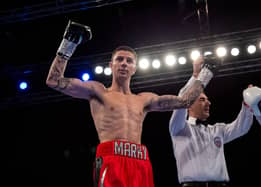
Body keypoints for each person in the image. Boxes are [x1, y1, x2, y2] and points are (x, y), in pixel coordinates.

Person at [45, 20, 206, 187]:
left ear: (134, 68)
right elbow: (54, 81)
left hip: (140, 162)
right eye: (119, 59)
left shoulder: (144, 99)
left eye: (129, 61)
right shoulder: (98, 91)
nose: (124, 63)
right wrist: (69, 43)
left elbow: (185, 101)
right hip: (110, 160)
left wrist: (205, 74)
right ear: (111, 65)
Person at [169, 56, 258, 187]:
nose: (208, 103)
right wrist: (199, 75)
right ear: (190, 105)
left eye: (207, 99)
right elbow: (182, 99)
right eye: (202, 99)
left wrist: (248, 106)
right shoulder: (179, 128)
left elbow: (242, 128)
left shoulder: (217, 130)